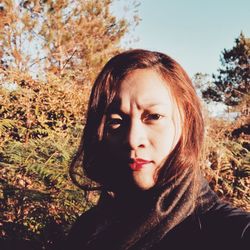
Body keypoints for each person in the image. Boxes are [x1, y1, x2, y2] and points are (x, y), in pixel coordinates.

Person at [61, 49, 249, 250]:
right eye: (116, 121)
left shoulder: (235, 234)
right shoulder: (87, 230)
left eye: (154, 116)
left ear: (188, 122)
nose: (133, 139)